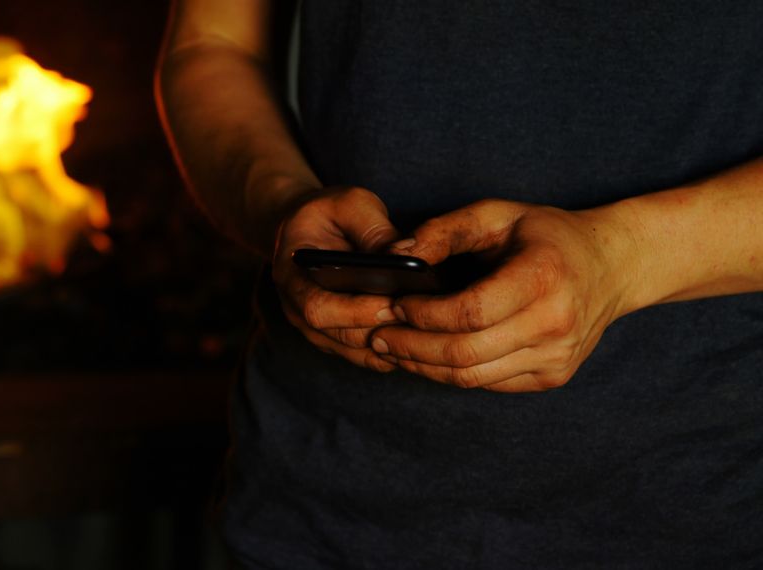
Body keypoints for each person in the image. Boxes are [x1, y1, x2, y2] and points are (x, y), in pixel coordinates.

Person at [156, 0, 763, 567]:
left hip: (699, 505)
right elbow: (212, 46)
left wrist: (624, 258)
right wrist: (282, 202)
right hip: (323, 505)